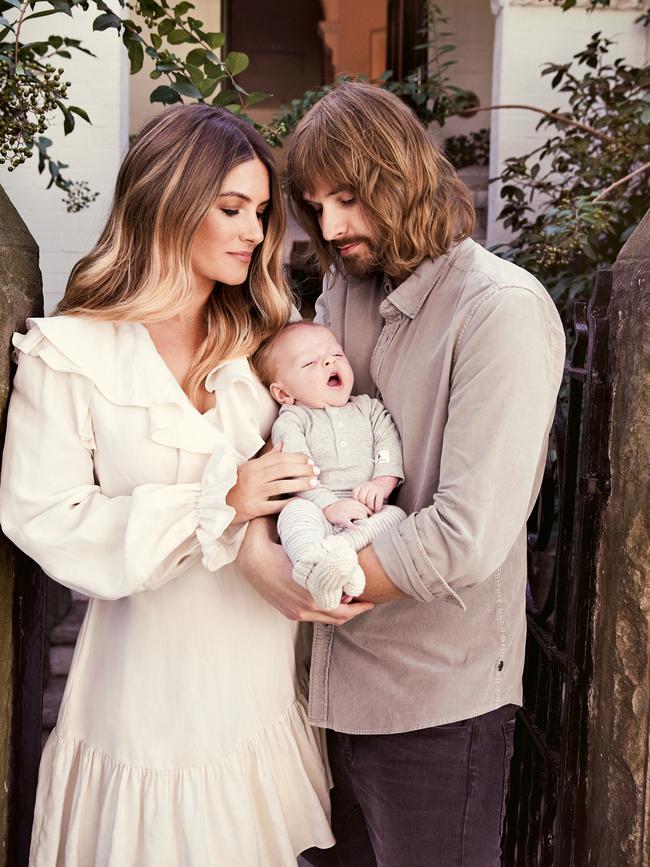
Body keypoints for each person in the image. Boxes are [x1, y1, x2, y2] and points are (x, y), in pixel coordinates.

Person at [0, 104, 375, 867]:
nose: (254, 231)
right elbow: (43, 514)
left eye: (262, 212)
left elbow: (331, 456)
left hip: (256, 684)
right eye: (232, 208)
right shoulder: (71, 352)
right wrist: (220, 502)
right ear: (167, 202)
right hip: (141, 693)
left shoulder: (269, 339)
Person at [237, 82, 566, 867]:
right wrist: (260, 552)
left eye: (348, 198)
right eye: (316, 207)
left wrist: (315, 583)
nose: (332, 227)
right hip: (319, 691)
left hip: (435, 702)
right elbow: (277, 446)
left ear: (403, 174)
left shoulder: (502, 311)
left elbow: (466, 533)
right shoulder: (342, 292)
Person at [252, 320, 405, 610]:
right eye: (310, 363)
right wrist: (327, 506)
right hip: (316, 506)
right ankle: (310, 560)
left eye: (336, 355)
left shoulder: (368, 408)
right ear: (284, 394)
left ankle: (339, 553)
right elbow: (297, 470)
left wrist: (381, 483)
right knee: (293, 513)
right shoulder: (293, 420)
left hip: (365, 508)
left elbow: (388, 446)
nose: (327, 361)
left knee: (396, 516)